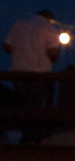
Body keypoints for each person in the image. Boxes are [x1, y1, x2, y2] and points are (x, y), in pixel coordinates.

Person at [3, 10, 62, 142]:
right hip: (39, 73)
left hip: (18, 71)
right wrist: (53, 59)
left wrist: (20, 54)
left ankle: (24, 135)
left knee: (22, 103)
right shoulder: (49, 28)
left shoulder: (19, 25)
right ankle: (32, 138)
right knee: (35, 105)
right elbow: (52, 51)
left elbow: (6, 46)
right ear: (50, 19)